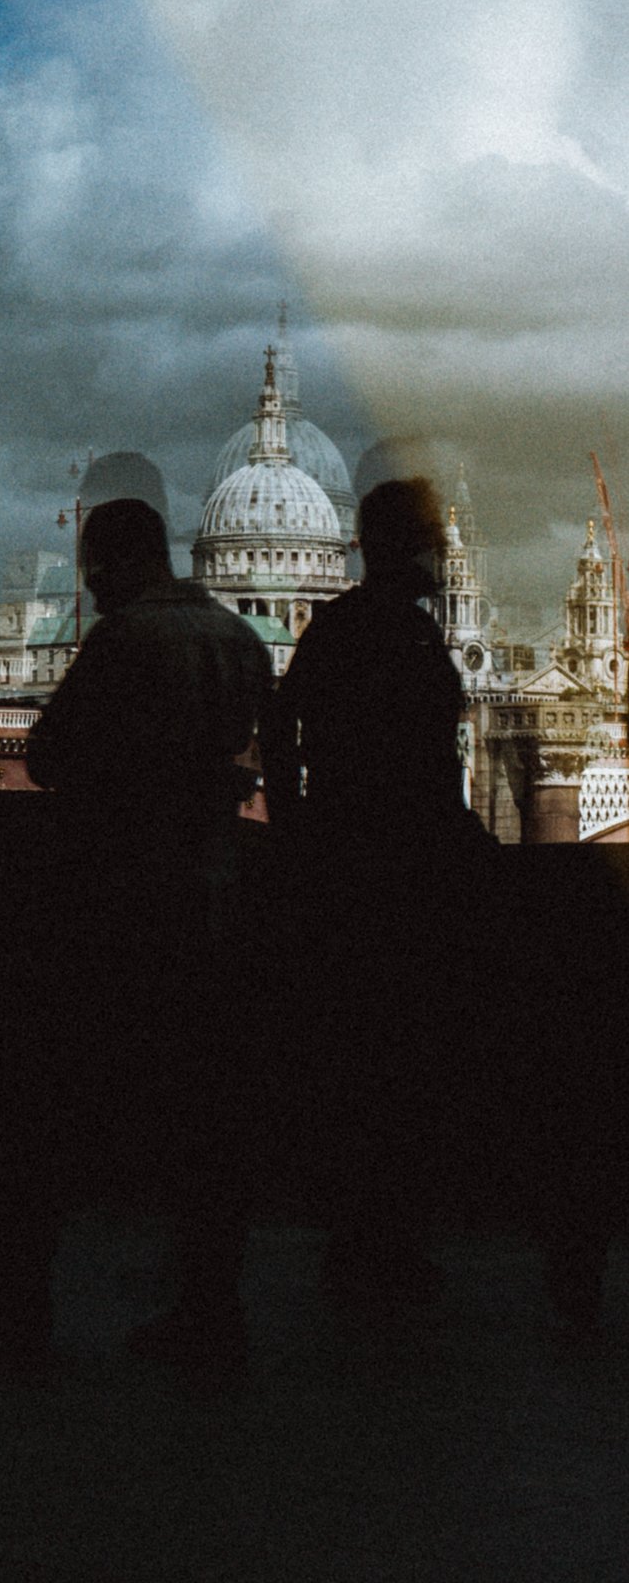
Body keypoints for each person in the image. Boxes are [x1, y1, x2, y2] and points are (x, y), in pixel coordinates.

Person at [0, 498, 271, 1371]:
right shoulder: (241, 642)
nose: (87, 583)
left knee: (49, 1102)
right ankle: (209, 1307)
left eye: (92, 565)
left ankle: (20, 1291)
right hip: (214, 897)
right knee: (202, 1122)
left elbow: (52, 755)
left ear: (114, 562)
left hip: (116, 901)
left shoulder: (123, 643)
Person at [261, 477, 493, 1316]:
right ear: (404, 545)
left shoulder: (339, 627)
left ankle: (367, 1244)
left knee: (362, 1068)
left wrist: (296, 825)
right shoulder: (394, 634)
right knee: (397, 1069)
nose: (443, 550)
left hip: (349, 867)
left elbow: (281, 733)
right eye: (432, 536)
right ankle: (385, 1248)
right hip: (396, 878)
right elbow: (423, 772)